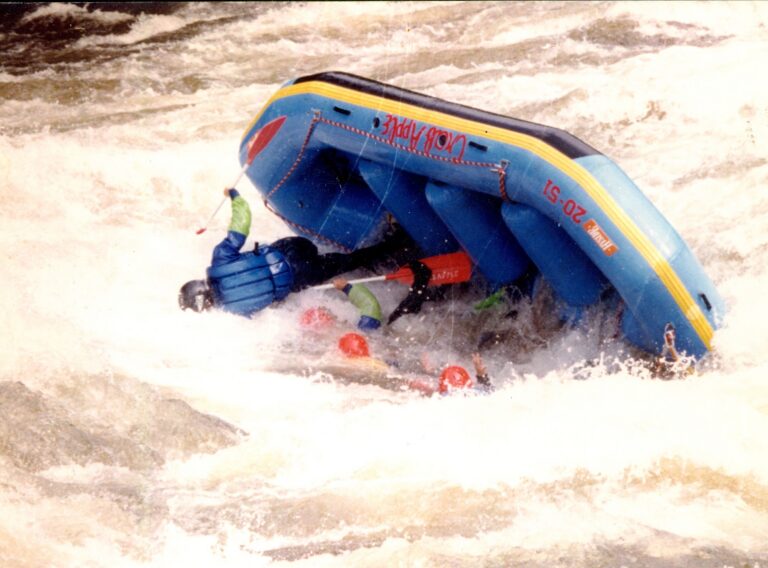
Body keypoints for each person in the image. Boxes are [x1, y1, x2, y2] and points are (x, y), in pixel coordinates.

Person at [179, 188, 415, 317]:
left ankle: (395, 242)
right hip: (291, 248)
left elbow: (271, 313)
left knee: (349, 262)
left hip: (301, 276)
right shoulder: (219, 259)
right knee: (311, 248)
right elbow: (241, 224)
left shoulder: (233, 314)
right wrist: (235, 197)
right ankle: (378, 238)